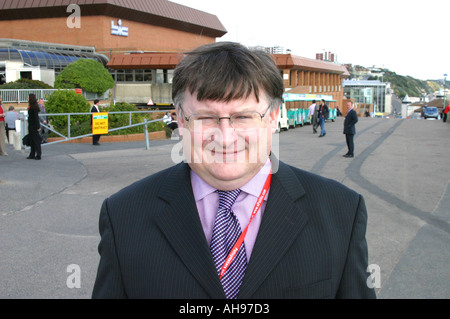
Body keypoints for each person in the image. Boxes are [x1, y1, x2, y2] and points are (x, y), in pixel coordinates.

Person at [92, 42, 376, 299]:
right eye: (205, 117)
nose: (225, 137)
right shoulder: (123, 215)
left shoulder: (341, 211)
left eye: (243, 116)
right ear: (180, 120)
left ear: (274, 117)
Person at [27, 94, 41, 160]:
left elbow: (36, 118)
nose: (27, 98)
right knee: (31, 140)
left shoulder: (34, 107)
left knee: (36, 141)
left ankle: (38, 154)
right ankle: (32, 154)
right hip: (30, 125)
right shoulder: (31, 106)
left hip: (34, 126)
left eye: (28, 97)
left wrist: (38, 127)